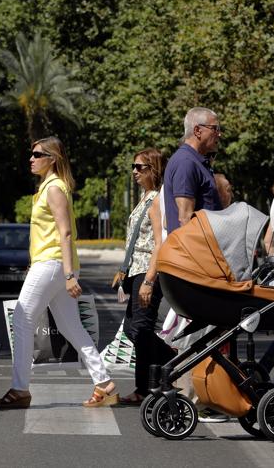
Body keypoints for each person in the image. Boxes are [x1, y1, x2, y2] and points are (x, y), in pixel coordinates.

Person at [0, 137, 115, 409]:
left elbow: (66, 232)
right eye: (32, 154)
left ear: (53, 159)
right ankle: (104, 382)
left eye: (38, 154)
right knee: (70, 326)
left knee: (22, 320)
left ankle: (20, 389)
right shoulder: (48, 187)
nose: (31, 158)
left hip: (53, 263)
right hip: (50, 263)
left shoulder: (54, 189)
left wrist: (70, 275)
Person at [113, 148, 173, 405]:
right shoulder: (145, 198)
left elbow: (160, 242)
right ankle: (169, 359)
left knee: (140, 329)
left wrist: (149, 280)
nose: (134, 171)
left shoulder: (158, 200)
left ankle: (145, 387)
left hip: (148, 272)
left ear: (154, 169)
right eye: (134, 166)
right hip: (136, 271)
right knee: (132, 328)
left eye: (140, 167)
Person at [163, 108, 223, 233]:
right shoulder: (186, 162)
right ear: (197, 130)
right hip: (192, 251)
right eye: (215, 129)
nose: (219, 134)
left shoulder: (195, 161)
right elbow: (185, 218)